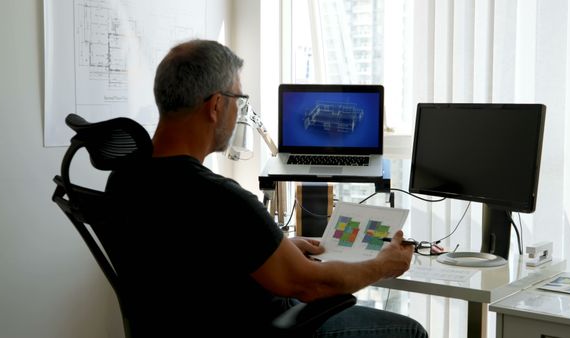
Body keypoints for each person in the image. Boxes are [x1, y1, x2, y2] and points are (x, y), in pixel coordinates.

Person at [106, 39, 428, 337]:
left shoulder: (123, 180)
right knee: (410, 330)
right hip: (266, 327)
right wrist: (383, 265)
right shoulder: (222, 199)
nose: (238, 112)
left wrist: (275, 247)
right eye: (238, 100)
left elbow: (193, 261)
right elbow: (311, 286)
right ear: (216, 106)